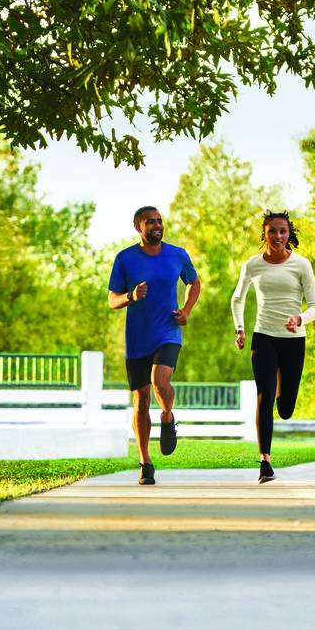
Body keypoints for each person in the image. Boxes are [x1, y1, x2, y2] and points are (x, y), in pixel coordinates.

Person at [108, 206, 202, 485]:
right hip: (137, 338)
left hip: (168, 331)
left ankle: (168, 416)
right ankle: (145, 462)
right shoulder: (125, 259)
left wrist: (186, 311)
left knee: (160, 382)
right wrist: (131, 296)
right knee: (141, 400)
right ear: (138, 226)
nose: (158, 225)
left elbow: (194, 283)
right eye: (151, 222)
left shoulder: (177, 255)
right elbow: (113, 299)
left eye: (160, 221)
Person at [230, 210, 315, 483]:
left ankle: (283, 389)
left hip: (294, 341)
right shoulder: (253, 265)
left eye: (283, 231)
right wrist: (240, 329)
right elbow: (237, 299)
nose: (278, 236)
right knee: (264, 396)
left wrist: (300, 318)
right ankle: (265, 462)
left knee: (285, 408)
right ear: (265, 234)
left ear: (289, 234)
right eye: (272, 231)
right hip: (264, 337)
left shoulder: (302, 265)